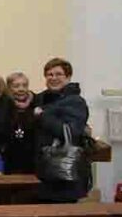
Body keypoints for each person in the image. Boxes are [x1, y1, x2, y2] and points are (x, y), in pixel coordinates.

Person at [33, 57, 90, 203]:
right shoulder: (41, 98)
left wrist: (43, 115)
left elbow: (71, 132)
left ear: (68, 77)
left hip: (63, 176)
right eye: (50, 74)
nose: (53, 78)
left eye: (58, 74)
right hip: (42, 173)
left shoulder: (75, 102)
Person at [3, 72, 37, 174]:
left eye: (24, 85)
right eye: (16, 86)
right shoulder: (3, 105)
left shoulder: (37, 103)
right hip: (8, 160)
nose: (21, 89)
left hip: (32, 161)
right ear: (9, 88)